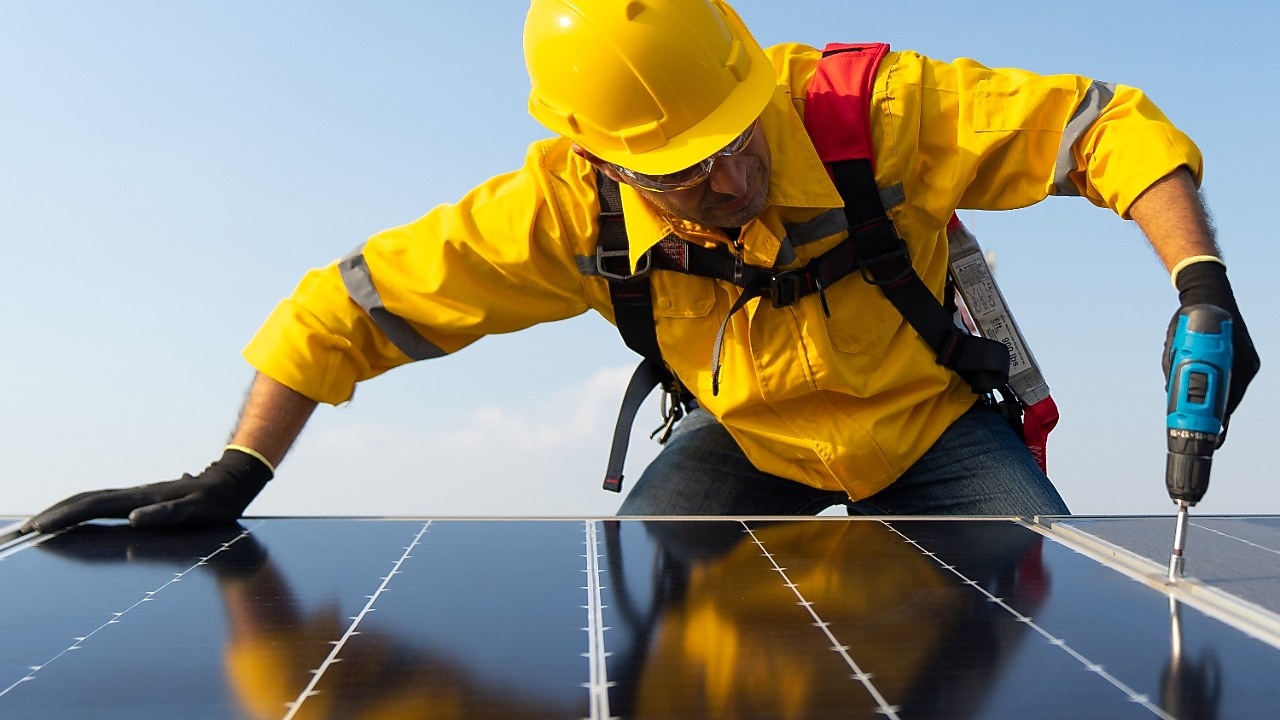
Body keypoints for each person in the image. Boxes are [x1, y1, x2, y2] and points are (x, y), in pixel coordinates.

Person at [20, 0, 1258, 534]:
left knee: (1044, 618)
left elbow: (1100, 127)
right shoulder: (564, 212)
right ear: (599, 159)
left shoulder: (867, 110)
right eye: (679, 172)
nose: (727, 180)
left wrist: (1197, 283)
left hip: (928, 433)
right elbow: (343, 308)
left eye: (733, 141)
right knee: (637, 629)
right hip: (744, 443)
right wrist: (236, 471)